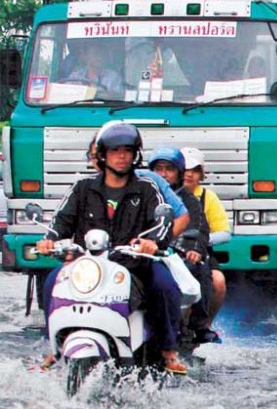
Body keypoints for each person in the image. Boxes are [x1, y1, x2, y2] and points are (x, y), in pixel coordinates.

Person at [36, 122, 187, 374]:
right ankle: (56, 346)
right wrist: (49, 239)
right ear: (103, 154)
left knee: (165, 286)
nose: (121, 156)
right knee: (52, 282)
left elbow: (162, 221)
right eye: (115, 150)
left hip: (134, 264)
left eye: (127, 150)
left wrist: (153, 243)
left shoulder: (147, 188)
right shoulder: (83, 188)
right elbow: (61, 221)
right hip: (88, 265)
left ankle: (168, 350)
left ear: (135, 154)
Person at [148, 147, 215, 345]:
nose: (163, 174)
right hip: (141, 254)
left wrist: (193, 250)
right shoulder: (142, 193)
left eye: (169, 169)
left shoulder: (187, 199)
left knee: (199, 269)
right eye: (158, 169)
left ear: (178, 172)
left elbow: (199, 228)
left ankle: (198, 326)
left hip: (175, 254)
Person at [87, 129, 191, 237]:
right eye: (95, 156)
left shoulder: (150, 181)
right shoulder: (83, 187)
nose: (99, 159)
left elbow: (182, 217)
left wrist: (157, 243)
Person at [181, 147, 230, 344]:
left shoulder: (207, 198)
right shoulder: (165, 194)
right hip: (168, 251)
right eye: (184, 169)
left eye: (194, 170)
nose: (189, 174)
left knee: (217, 281)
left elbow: (224, 232)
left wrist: (198, 242)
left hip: (199, 254)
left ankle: (202, 326)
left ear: (201, 173)